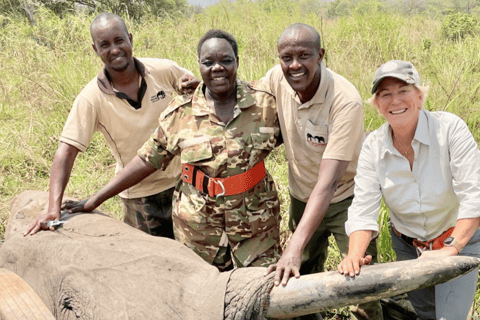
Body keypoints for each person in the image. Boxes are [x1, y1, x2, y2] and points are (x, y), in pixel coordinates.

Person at [59, 29, 282, 271]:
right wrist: (96, 199)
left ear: (237, 62)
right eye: (208, 62)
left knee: (263, 289)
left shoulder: (265, 104)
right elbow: (146, 160)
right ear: (198, 65)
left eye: (226, 60)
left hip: (257, 224)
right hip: (200, 229)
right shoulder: (179, 112)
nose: (217, 68)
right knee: (201, 293)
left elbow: (292, 138)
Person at [24, 12, 197, 238]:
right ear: (95, 50)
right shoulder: (91, 98)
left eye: (119, 40)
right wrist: (53, 208)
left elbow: (195, 87)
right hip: (139, 196)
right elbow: (66, 152)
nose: (114, 50)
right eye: (104, 45)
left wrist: (190, 86)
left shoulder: (163, 70)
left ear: (130, 39)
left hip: (184, 185)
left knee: (197, 258)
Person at [338, 60, 480, 319]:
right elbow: (363, 207)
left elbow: (474, 194)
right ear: (377, 105)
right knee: (425, 313)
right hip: (409, 244)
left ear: (419, 96)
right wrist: (355, 255)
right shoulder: (373, 147)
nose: (395, 100)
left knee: (450, 316)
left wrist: (450, 249)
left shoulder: (450, 129)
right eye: (385, 94)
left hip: (458, 237)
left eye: (403, 90)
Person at [261, 23, 382, 320]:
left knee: (363, 282)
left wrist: (293, 247)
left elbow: (328, 184)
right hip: (302, 195)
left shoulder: (344, 100)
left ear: (320, 55)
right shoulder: (277, 79)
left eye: (304, 55)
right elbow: (247, 101)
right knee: (300, 277)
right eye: (286, 57)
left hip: (345, 200)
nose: (295, 65)